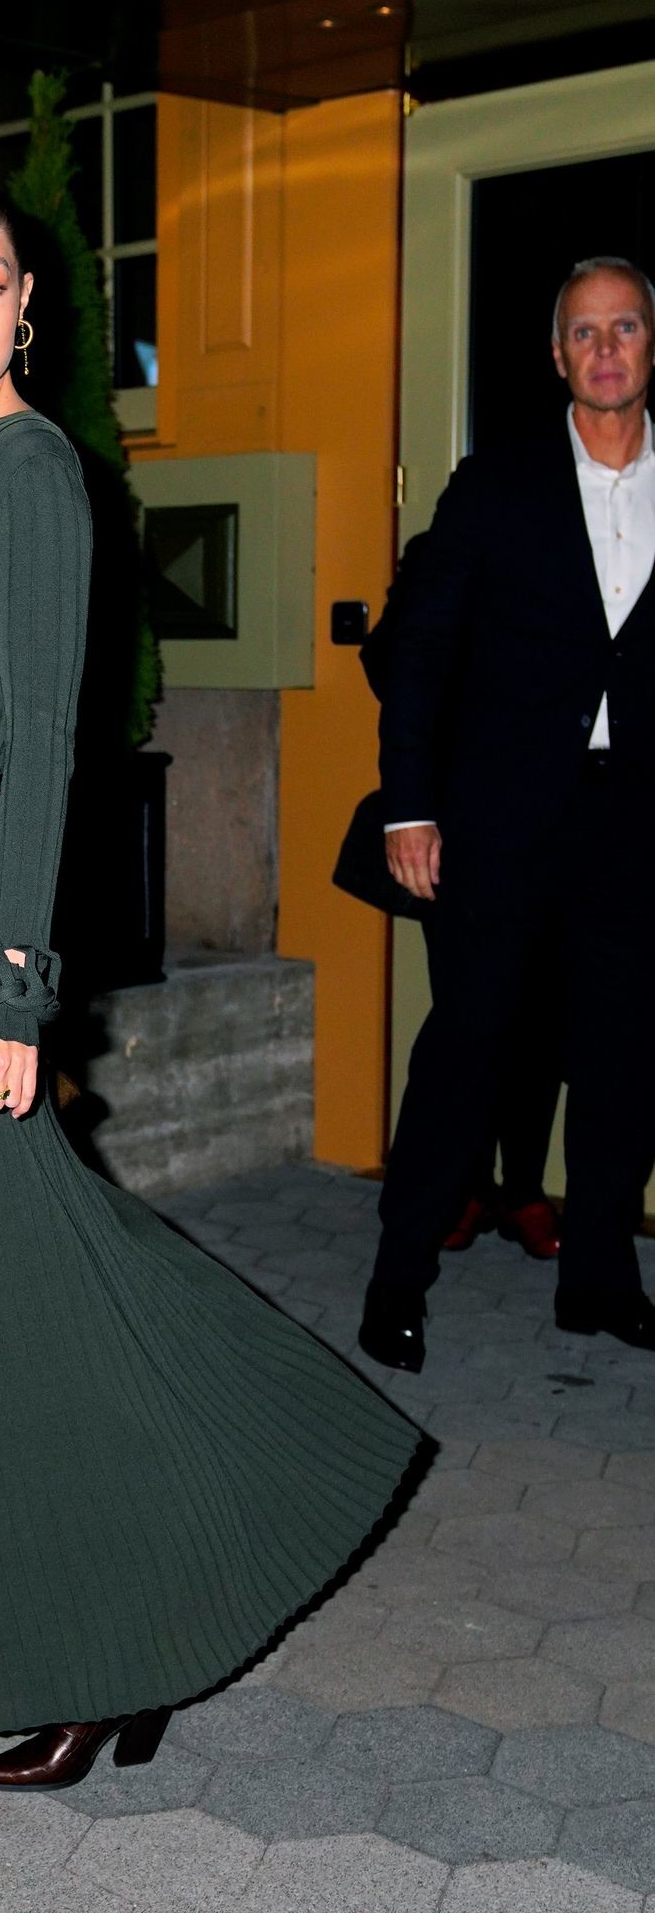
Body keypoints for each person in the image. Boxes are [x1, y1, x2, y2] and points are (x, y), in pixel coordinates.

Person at [0, 156, 423, 1791]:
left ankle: (142, 1615)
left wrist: (6, 992)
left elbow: (45, 745)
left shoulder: (35, 473)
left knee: (12, 1279)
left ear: (26, 303)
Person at [359, 256, 655, 1375]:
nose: (605, 349)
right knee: (466, 1048)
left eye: (623, 327)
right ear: (556, 356)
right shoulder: (495, 485)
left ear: (650, 342)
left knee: (622, 1057)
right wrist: (409, 807)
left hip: (633, 828)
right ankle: (396, 1280)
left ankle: (599, 1280)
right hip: (501, 821)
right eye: (583, 332)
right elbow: (420, 654)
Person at [360, 541, 563, 1264]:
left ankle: (525, 1189)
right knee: (468, 1018)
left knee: (542, 1015)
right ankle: (465, 1187)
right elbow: (387, 662)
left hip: (560, 824)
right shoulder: (449, 547)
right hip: (462, 832)